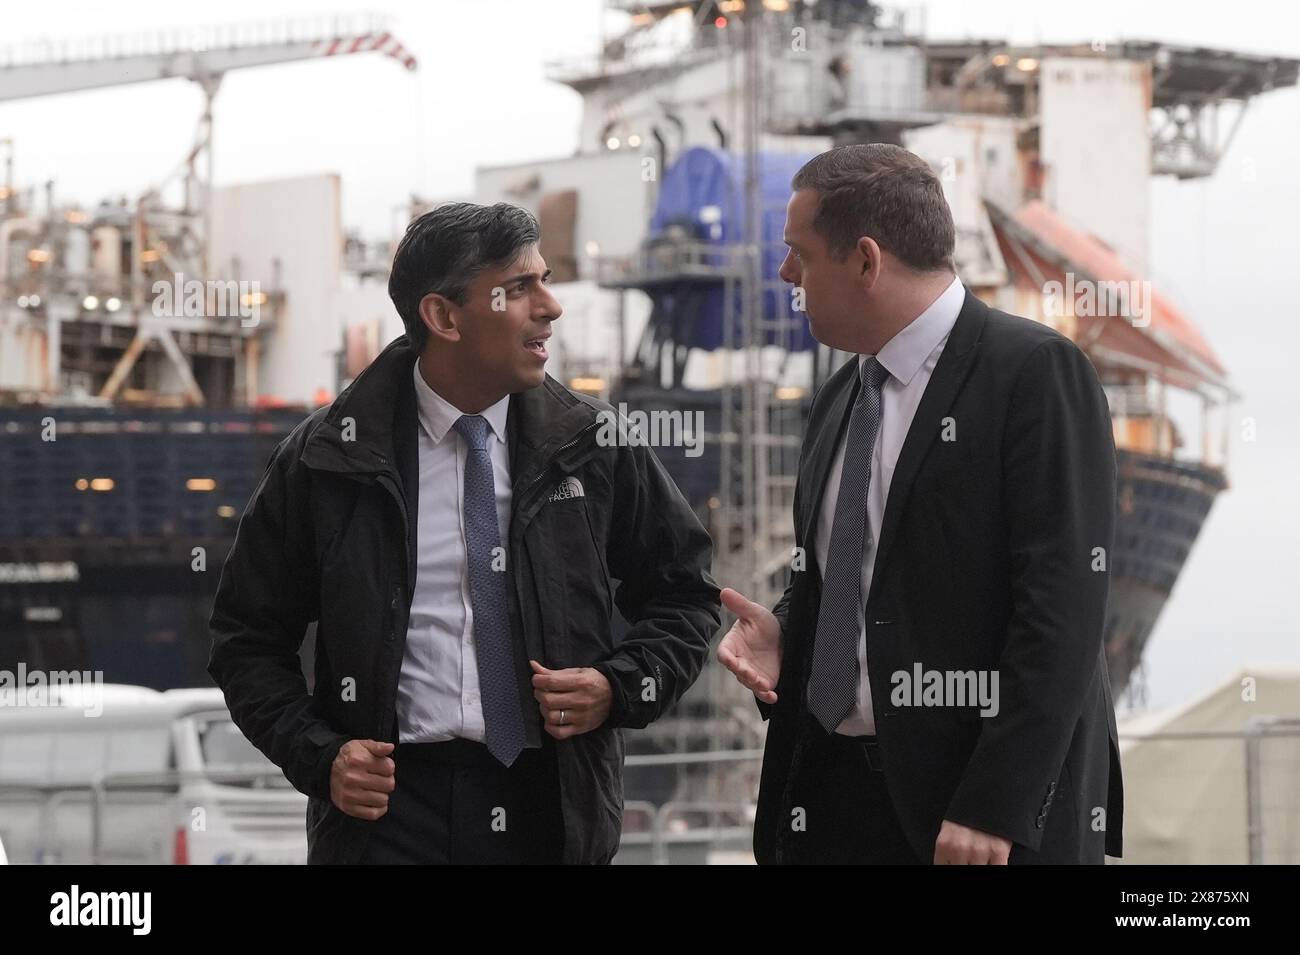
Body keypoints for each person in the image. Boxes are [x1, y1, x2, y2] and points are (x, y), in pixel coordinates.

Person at [209, 201, 720, 864]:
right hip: (386, 817)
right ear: (443, 316)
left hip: (551, 809)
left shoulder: (597, 444)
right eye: (519, 287)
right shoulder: (327, 458)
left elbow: (686, 593)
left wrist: (618, 686)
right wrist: (320, 754)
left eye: (545, 279)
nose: (550, 306)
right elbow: (245, 637)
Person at [719, 144, 1123, 864]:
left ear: (866, 261)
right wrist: (787, 637)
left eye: (799, 254)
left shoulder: (1034, 374)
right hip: (836, 807)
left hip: (971, 824)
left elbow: (1061, 612)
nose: (786, 275)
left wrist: (994, 805)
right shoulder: (840, 397)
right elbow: (850, 579)